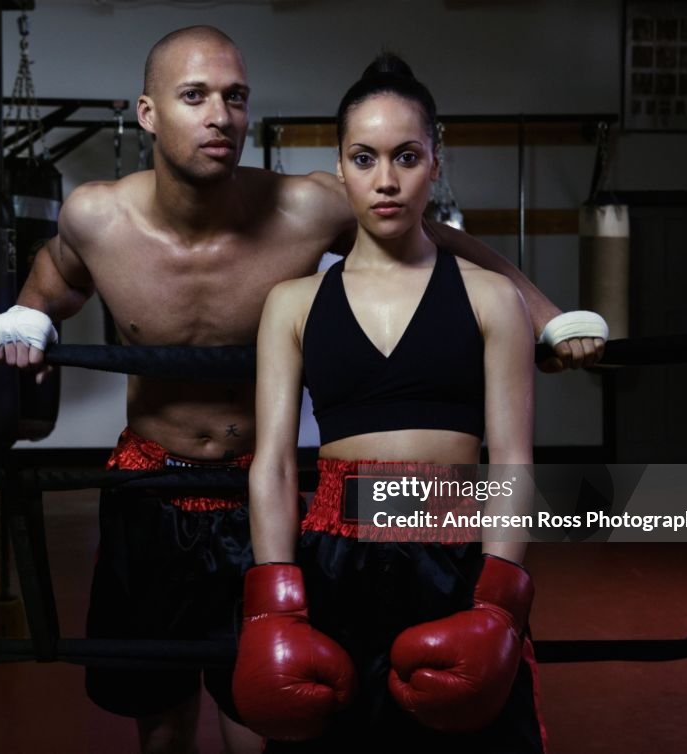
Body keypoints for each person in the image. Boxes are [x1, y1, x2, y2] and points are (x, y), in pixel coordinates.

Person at [0, 26, 594, 754]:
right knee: (160, 719)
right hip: (149, 488)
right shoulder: (97, 216)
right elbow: (56, 274)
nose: (220, 114)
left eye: (235, 97)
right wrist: (27, 317)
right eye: (195, 96)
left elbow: (446, 246)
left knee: (268, 727)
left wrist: (548, 318)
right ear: (148, 112)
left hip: (258, 496)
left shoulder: (311, 208)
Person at [232, 53, 545, 753]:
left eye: (406, 156)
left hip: (457, 560)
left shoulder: (492, 298)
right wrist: (274, 606)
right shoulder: (292, 303)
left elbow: (515, 462)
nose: (386, 180)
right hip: (333, 564)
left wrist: (498, 603)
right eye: (364, 158)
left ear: (436, 160)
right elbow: (274, 466)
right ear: (339, 168)